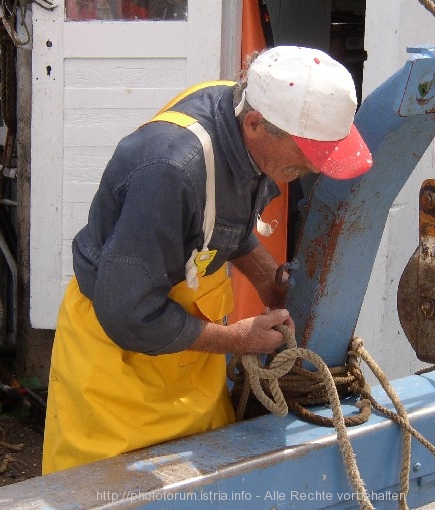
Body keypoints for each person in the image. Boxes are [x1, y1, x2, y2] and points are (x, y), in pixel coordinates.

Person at [41, 45, 373, 474]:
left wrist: (269, 280)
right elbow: (129, 315)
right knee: (107, 493)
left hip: (188, 363)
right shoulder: (170, 171)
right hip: (117, 370)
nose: (314, 167)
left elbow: (221, 221)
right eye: (306, 156)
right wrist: (237, 339)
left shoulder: (239, 113)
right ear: (256, 124)